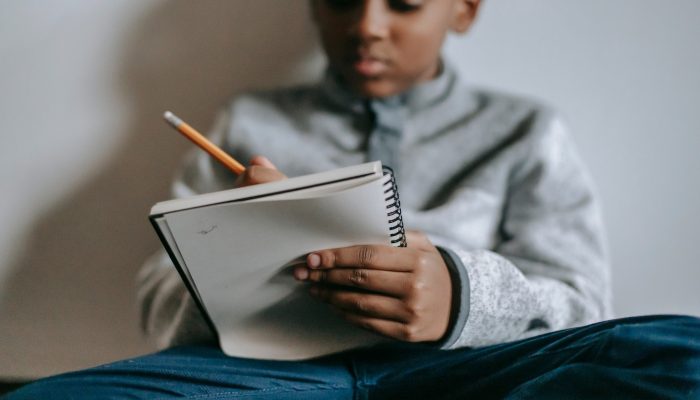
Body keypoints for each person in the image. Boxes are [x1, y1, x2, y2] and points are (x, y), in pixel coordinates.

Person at [6, 0, 700, 398]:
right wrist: (238, 251)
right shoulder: (251, 122)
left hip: (465, 371)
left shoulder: (525, 130)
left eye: (402, 2)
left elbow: (584, 305)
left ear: (464, 9)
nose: (367, 25)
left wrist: (460, 296)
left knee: (681, 349)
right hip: (267, 375)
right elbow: (158, 302)